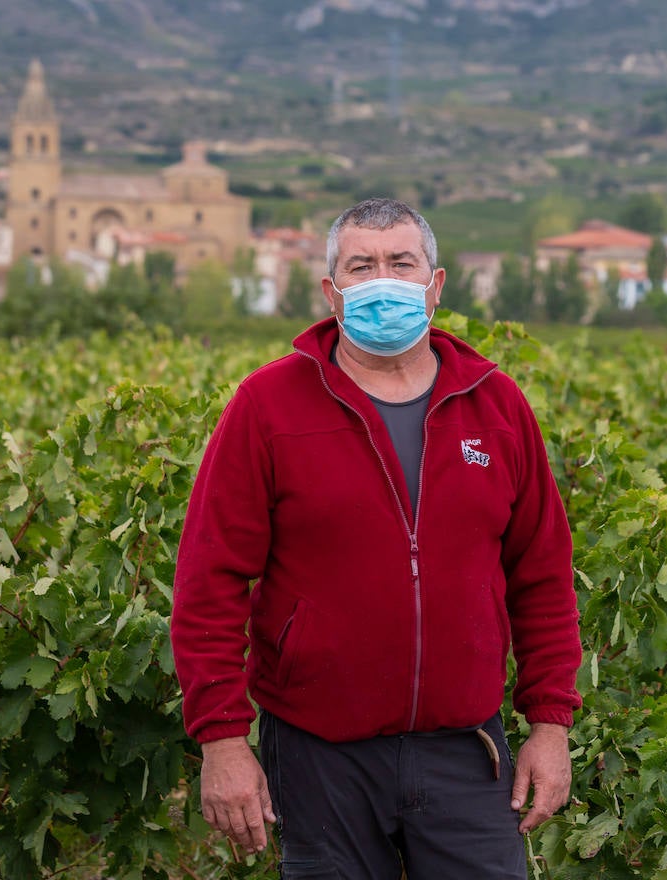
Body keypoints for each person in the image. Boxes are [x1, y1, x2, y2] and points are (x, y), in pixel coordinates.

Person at [171, 197, 583, 878]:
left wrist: (549, 724)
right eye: (362, 266)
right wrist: (220, 740)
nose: (383, 280)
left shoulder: (497, 405)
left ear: (435, 285)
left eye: (401, 263)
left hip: (466, 750)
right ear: (332, 292)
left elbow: (541, 573)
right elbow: (209, 581)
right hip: (318, 753)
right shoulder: (267, 406)